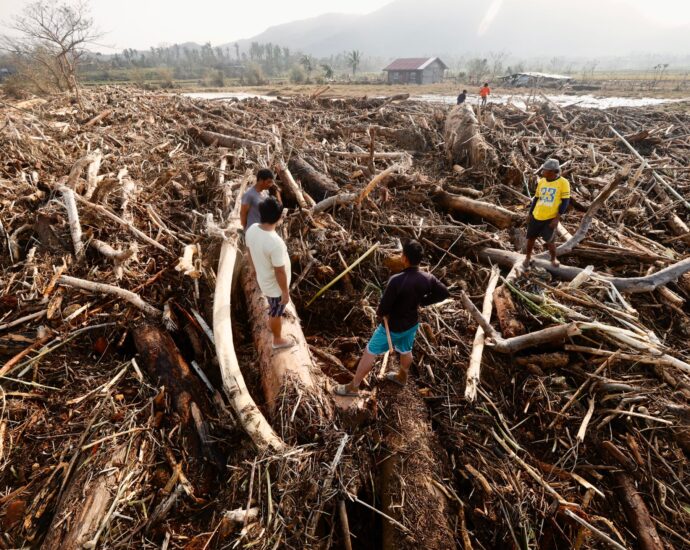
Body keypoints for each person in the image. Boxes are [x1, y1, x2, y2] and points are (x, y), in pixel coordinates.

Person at [335, 240, 449, 396]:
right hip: (411, 324)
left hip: (392, 326)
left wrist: (380, 313)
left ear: (405, 258)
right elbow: (444, 293)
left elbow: (383, 309)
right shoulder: (427, 278)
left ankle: (353, 387)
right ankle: (402, 376)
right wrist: (422, 302)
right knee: (405, 349)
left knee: (370, 351)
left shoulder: (396, 280)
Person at [245, 197, 293, 350]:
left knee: (273, 307)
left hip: (264, 278)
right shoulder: (274, 242)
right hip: (275, 287)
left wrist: (254, 269)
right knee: (276, 312)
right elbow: (279, 271)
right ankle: (277, 340)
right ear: (278, 218)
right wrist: (285, 292)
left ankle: (271, 321)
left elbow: (248, 251)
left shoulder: (252, 228)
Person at [523, 158, 571, 269]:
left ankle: (553, 258)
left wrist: (557, 218)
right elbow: (536, 199)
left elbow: (565, 202)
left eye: (545, 169)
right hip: (536, 215)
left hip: (550, 217)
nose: (542, 171)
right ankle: (528, 257)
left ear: (552, 171)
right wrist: (530, 214)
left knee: (550, 241)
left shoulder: (563, 183)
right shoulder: (542, 182)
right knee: (531, 238)